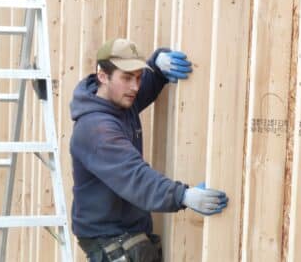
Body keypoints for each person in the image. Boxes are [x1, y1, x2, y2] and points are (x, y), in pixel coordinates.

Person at [69, 38, 228, 262]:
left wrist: (157, 67)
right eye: (127, 78)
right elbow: (135, 176)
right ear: (102, 77)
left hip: (126, 233)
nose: (135, 87)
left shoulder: (118, 101)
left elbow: (143, 89)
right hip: (110, 241)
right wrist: (183, 195)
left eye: (138, 77)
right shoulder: (96, 130)